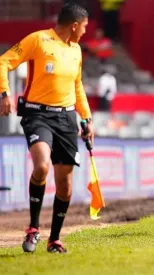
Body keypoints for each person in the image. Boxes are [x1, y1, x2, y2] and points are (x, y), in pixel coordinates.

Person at [0, 3, 94, 253]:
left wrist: (86, 119)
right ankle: (33, 229)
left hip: (66, 120)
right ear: (74, 25)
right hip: (37, 114)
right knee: (41, 166)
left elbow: (78, 87)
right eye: (84, 27)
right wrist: (4, 93)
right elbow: (3, 62)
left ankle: (55, 239)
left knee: (65, 185)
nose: (85, 32)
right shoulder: (38, 40)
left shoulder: (76, 51)